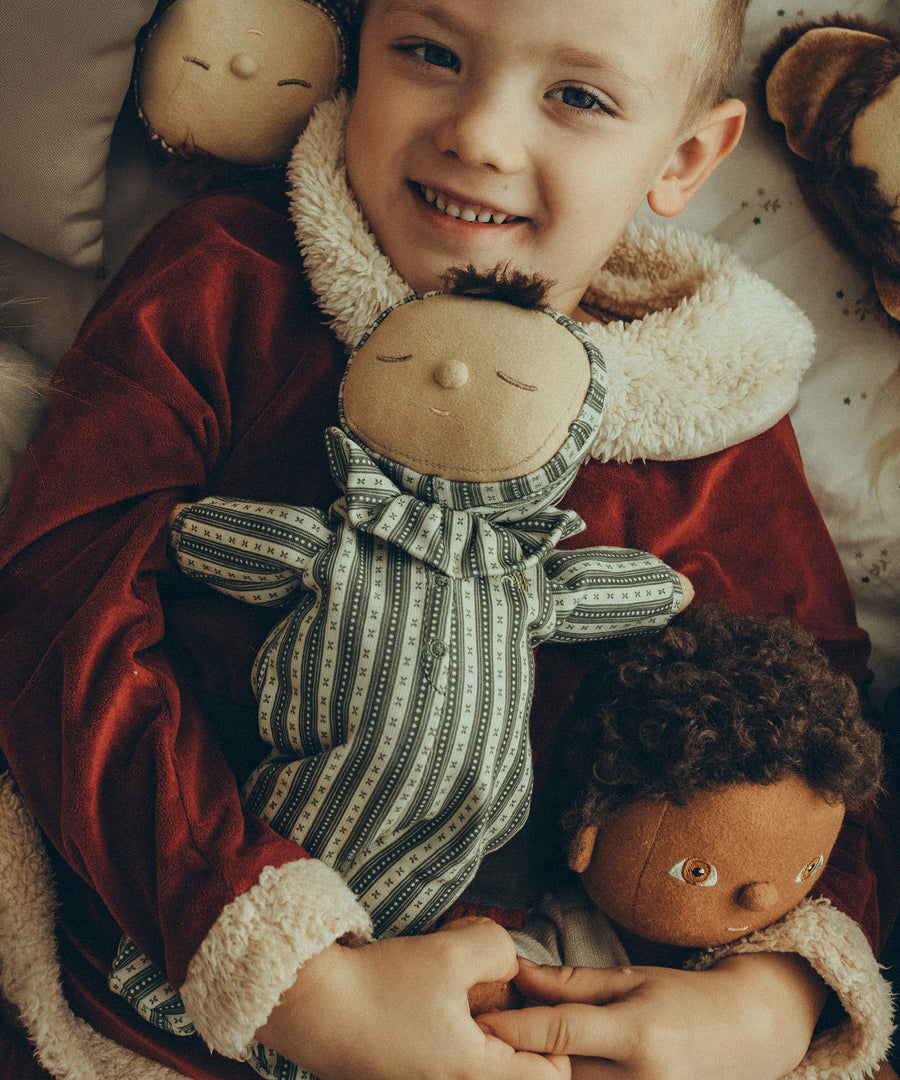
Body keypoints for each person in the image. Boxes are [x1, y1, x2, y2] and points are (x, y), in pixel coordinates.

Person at [0, 2, 895, 1080]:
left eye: (578, 96)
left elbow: (818, 740)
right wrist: (294, 977)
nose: (479, 131)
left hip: (547, 1002)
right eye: (428, 54)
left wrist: (771, 998)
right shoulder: (226, 278)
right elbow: (58, 598)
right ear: (359, 54)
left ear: (686, 155)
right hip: (168, 971)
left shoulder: (714, 414)